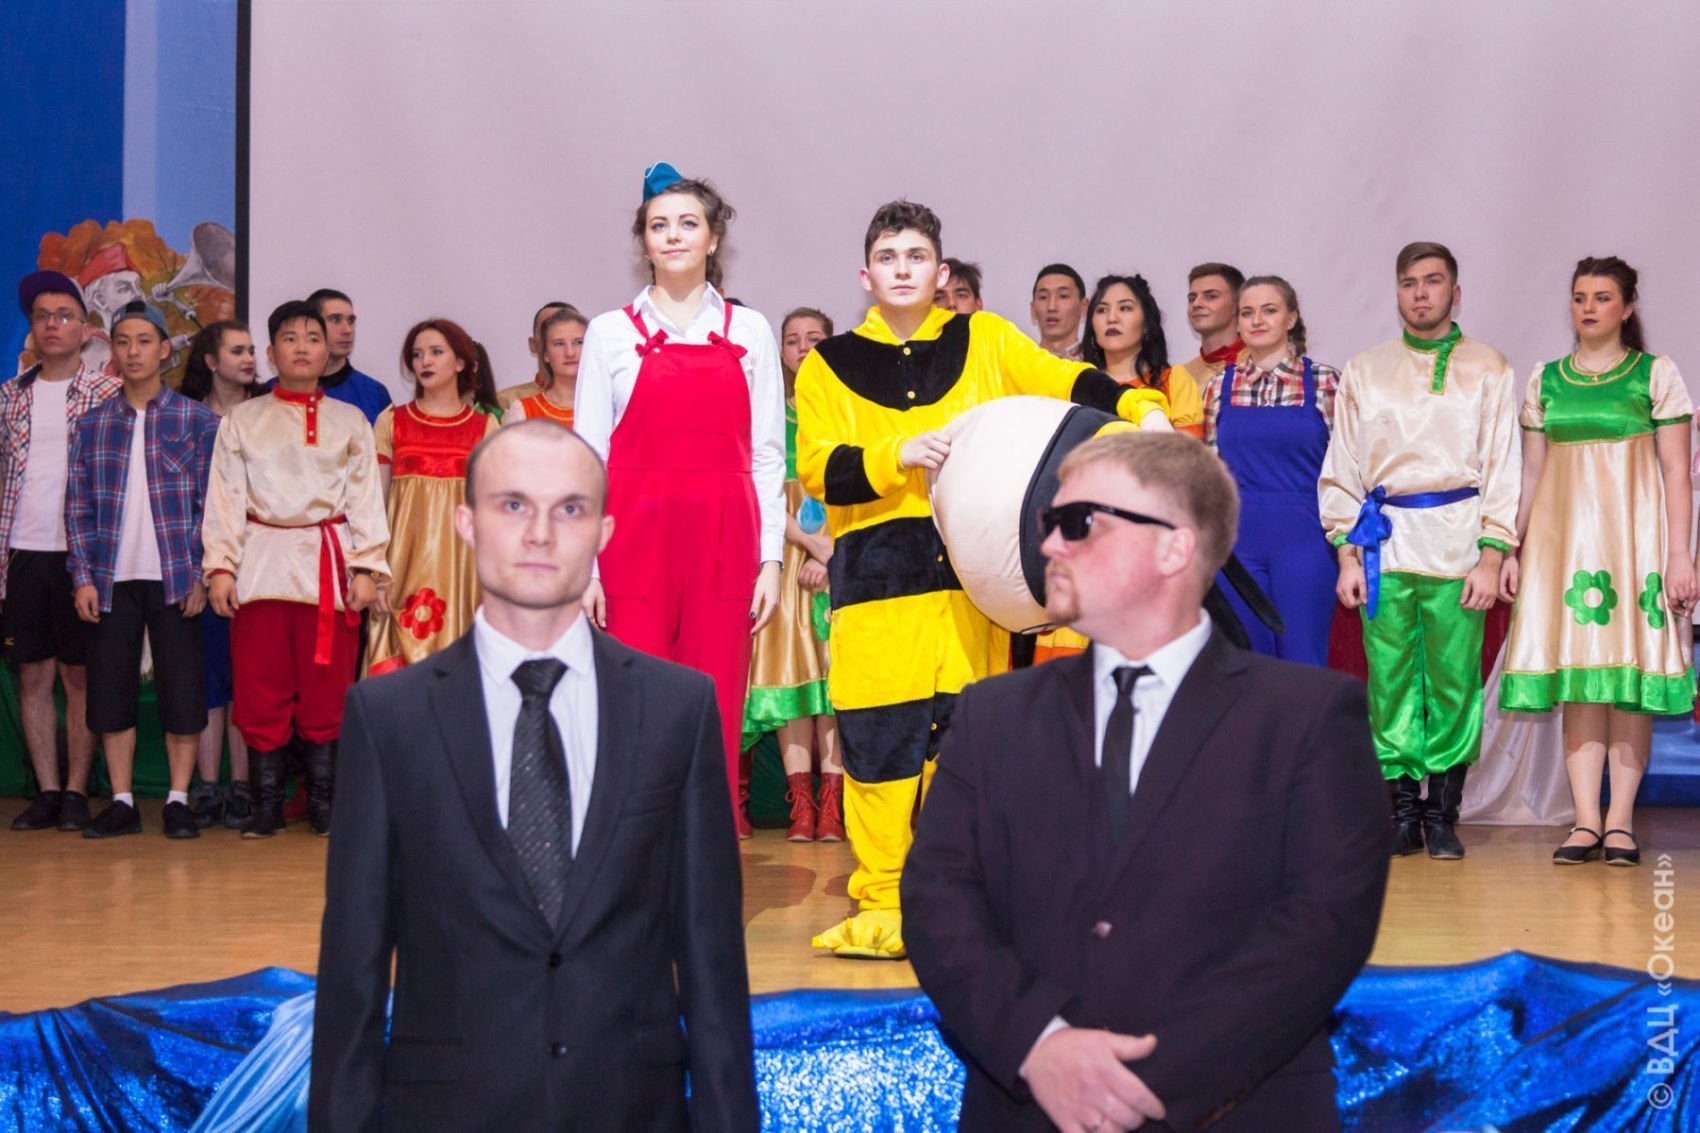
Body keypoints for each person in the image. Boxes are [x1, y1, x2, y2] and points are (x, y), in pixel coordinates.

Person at [903, 431, 1389, 1132]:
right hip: (1029, 1107)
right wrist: (1039, 1046)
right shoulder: (992, 714)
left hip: (1238, 1111)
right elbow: (937, 901)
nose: (1050, 544)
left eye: (1078, 522)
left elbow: (1323, 926)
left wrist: (1138, 1087)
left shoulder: (1309, 717)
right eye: (1048, 522)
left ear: (1174, 547)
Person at [310, 421, 758, 1131]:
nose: (541, 533)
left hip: (631, 1112)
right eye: (513, 504)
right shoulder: (388, 717)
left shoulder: (680, 708)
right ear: (466, 522)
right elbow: (352, 968)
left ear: (604, 533)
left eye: (570, 508)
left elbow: (712, 959)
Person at [794, 199, 1171, 959]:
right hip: (874, 585)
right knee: (876, 743)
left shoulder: (986, 338)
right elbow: (818, 467)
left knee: (964, 743)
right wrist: (895, 456)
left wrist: (1141, 406)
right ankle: (883, 898)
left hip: (971, 585)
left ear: (941, 273)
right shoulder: (827, 363)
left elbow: (1065, 379)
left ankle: (953, 895)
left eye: (917, 257)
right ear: (866, 275)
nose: (903, 270)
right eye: (889, 258)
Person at [574, 163, 785, 836]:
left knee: (714, 704)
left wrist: (771, 559)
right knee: (632, 705)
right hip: (632, 544)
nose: (673, 235)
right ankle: (630, 865)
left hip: (726, 542)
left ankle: (703, 866)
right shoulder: (609, 332)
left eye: (688, 223)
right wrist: (587, 566)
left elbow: (767, 455)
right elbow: (588, 459)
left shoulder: (751, 331)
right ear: (643, 240)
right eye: (658, 225)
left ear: (713, 238)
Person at [1320, 242, 1520, 860]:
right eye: (1409, 283)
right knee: (1390, 684)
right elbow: (1342, 466)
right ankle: (1402, 813)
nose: (1421, 293)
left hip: (1459, 544)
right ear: (1397, 292)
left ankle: (1443, 814)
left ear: (1455, 293)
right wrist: (1347, 554)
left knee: (1455, 683)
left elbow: (1504, 466)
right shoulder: (1365, 369)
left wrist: (1493, 554)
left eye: (1433, 282)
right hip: (1384, 546)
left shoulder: (1488, 366)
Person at [1500, 257, 1695, 867]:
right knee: (1582, 685)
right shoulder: (1545, 380)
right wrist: (1510, 547)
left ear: (1627, 307)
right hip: (1563, 550)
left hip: (1634, 547)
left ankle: (1620, 823)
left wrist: (1681, 557)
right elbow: (1531, 475)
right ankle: (1585, 821)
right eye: (1580, 297)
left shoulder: (1655, 374)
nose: (1588, 307)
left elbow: (1676, 473)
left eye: (1603, 297)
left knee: (1628, 687)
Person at [202, 300, 389, 838]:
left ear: (327, 349)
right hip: (260, 569)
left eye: (312, 337)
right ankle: (266, 807)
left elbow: (365, 499)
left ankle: (325, 805)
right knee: (261, 690)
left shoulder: (351, 420)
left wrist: (367, 566)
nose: (302, 347)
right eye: (290, 338)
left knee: (327, 692)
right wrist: (220, 567)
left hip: (329, 571)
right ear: (271, 352)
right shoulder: (242, 419)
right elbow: (225, 497)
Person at [67, 301, 222, 839]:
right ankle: (122, 801)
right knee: (111, 693)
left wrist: (201, 572)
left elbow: (212, 506)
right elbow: (78, 507)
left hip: (176, 578)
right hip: (110, 579)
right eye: (123, 341)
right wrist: (82, 577)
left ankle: (178, 800)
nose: (133, 352)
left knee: (183, 691)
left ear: (164, 349)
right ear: (112, 350)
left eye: (144, 341)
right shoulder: (92, 424)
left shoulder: (197, 420)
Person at [3, 271, 120, 833]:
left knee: (79, 676)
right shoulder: (9, 396)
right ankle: (47, 791)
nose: (53, 325)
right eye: (43, 316)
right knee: (32, 676)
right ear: (32, 327)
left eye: (64, 315)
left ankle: (76, 791)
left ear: (86, 329)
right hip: (22, 551)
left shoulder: (108, 394)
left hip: (82, 556)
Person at [1204, 275, 1342, 666]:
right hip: (1236, 546)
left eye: (1269, 310)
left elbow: (1346, 471)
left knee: (1303, 661)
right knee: (1244, 663)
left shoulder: (1325, 382)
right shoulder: (1217, 387)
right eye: (1247, 312)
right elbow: (1212, 475)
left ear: (1291, 318)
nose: (1257, 320)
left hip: (1307, 544)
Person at [743, 306, 842, 842]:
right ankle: (801, 805)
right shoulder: (765, 415)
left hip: (840, 557)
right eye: (793, 339)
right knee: (793, 684)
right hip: (782, 559)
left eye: (815, 337)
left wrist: (831, 557)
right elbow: (762, 493)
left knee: (835, 684)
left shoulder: (848, 411)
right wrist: (807, 546)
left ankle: (833, 806)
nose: (803, 347)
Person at [366, 318, 500, 675]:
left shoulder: (485, 428)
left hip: (463, 571)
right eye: (417, 354)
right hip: (400, 569)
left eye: (436, 352)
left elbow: (493, 515)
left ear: (460, 362)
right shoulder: (391, 422)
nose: (424, 361)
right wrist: (375, 573)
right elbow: (374, 505)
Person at [177, 320, 259, 828]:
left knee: (245, 678)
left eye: (252, 350)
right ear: (210, 361)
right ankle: (208, 787)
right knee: (208, 679)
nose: (249, 359)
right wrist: (195, 569)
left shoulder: (267, 413)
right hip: (201, 568)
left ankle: (243, 785)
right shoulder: (185, 417)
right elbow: (180, 501)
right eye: (237, 351)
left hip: (260, 565)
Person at [1081, 273, 1203, 438]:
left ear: (1146, 324)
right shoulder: (1081, 384)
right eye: (1102, 310)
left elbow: (1188, 450)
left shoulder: (1173, 380)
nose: (1111, 318)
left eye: (1125, 308)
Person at [302, 288, 392, 424]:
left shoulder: (375, 393)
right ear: (311, 326)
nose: (347, 330)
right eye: (335, 319)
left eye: (350, 321)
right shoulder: (277, 389)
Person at [503, 305, 585, 428]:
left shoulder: (609, 406)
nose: (570, 353)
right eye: (559, 344)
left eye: (578, 342)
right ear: (545, 353)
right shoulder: (524, 411)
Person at [1171, 262, 1246, 394]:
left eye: (1211, 296)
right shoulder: (1181, 376)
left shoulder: (1263, 366)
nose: (1196, 304)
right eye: (1192, 298)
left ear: (1237, 305)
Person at [497, 300, 575, 411]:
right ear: (533, 344)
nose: (568, 350)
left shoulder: (599, 397)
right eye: (547, 330)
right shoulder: (505, 401)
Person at [1030, 263, 1088, 359]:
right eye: (1043, 297)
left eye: (1063, 296)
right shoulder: (1018, 365)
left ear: (1083, 307)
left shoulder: (1100, 365)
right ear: (1033, 309)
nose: (1051, 307)